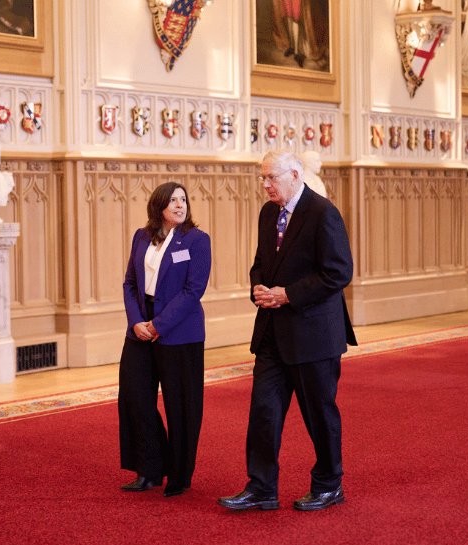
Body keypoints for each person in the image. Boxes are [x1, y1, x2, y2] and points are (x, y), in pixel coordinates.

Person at [218, 149, 357, 512]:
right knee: (263, 412)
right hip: (272, 333)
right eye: (263, 178)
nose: (265, 185)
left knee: (319, 416)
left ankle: (329, 485)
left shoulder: (323, 212)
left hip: (314, 335)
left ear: (295, 174)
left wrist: (288, 295)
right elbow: (261, 263)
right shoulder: (269, 213)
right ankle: (261, 487)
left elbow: (338, 273)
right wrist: (259, 287)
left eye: (271, 178)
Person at [118, 181, 212, 498]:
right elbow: (130, 284)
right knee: (135, 398)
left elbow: (193, 291)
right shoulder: (142, 237)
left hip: (179, 332)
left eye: (183, 199)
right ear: (158, 205)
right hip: (140, 330)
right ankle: (149, 469)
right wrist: (137, 323)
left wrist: (158, 325)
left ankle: (178, 477)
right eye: (172, 200)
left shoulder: (197, 240)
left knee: (181, 406)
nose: (179, 205)